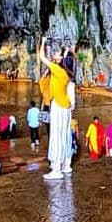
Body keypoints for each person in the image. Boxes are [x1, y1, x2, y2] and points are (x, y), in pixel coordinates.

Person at [38, 37, 75, 180]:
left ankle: (56, 170)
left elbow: (42, 57)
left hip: (58, 106)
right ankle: (66, 165)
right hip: (66, 107)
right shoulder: (66, 74)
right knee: (65, 135)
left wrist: (43, 42)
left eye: (58, 54)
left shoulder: (58, 71)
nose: (56, 55)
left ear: (62, 61)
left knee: (56, 136)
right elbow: (64, 60)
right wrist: (65, 52)